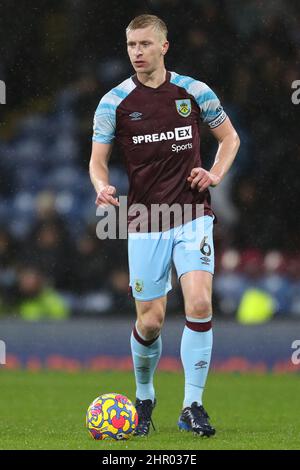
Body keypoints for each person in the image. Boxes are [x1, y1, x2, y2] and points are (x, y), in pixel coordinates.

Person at [89, 14, 240, 437]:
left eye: (144, 44)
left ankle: (192, 404)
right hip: (144, 220)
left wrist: (213, 174)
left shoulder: (194, 92)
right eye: (131, 46)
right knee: (151, 321)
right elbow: (98, 161)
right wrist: (101, 186)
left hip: (192, 215)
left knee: (199, 304)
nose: (137, 53)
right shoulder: (113, 102)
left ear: (163, 46)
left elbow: (230, 138)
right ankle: (144, 395)